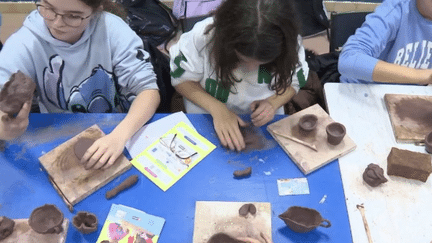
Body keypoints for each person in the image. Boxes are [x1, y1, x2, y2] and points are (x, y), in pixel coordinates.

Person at [0, 0, 160, 169]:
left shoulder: (112, 29)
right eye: (48, 8)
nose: (57, 23)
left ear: (96, 10)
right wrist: (5, 127)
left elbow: (148, 91)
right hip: (58, 131)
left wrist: (119, 136)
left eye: (73, 16)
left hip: (120, 125)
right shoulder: (25, 43)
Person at [169, 0, 309, 151]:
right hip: (206, 116)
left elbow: (293, 82)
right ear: (226, 41)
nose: (250, 69)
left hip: (263, 125)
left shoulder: (290, 45)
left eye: (263, 64)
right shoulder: (203, 37)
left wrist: (273, 103)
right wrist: (217, 109)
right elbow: (182, 81)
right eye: (243, 60)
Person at [339, 0, 432, 85]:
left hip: (408, 95)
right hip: (362, 91)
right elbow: (348, 60)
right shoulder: (394, 11)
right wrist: (422, 75)